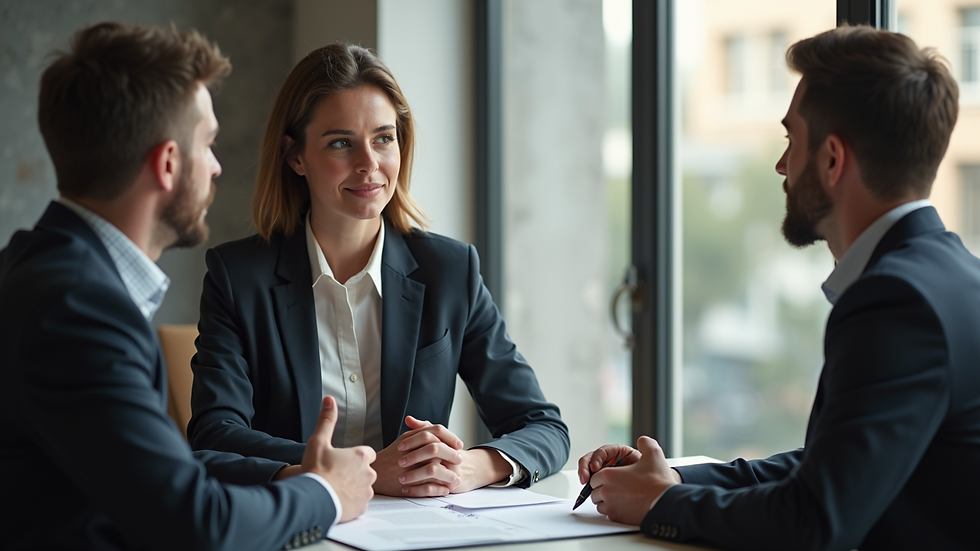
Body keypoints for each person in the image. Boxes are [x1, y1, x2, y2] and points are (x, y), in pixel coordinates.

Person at [577, 25, 979, 551]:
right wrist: (672, 480)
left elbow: (815, 521)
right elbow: (835, 463)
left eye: (792, 139)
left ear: (833, 160)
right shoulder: (954, 277)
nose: (782, 166)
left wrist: (658, 504)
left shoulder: (895, 302)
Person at [0, 22, 377, 550]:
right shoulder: (79, 310)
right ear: (169, 164)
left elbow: (155, 480)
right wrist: (327, 492)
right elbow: (198, 525)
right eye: (208, 143)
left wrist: (292, 480)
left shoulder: (33, 266)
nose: (219, 166)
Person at [186, 43, 569, 498]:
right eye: (341, 143)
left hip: (417, 531)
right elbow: (215, 434)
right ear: (295, 156)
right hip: (297, 520)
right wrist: (358, 472)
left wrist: (469, 467)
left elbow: (543, 427)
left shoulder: (450, 270)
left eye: (384, 138)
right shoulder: (237, 277)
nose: (369, 164)